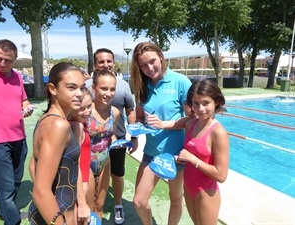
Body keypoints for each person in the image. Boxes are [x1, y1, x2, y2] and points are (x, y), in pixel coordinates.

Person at [147, 79, 229, 225]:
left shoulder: (218, 132)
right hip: (189, 187)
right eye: (196, 103)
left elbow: (221, 175)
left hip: (206, 192)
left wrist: (191, 159)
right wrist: (179, 158)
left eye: (205, 103)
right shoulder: (191, 122)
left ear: (216, 102)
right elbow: (171, 124)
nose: (200, 109)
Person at [130, 42, 192, 225]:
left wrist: (164, 124)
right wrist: (136, 129)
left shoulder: (180, 82)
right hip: (151, 153)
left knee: (175, 198)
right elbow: (140, 116)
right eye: (143, 65)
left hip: (176, 154)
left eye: (152, 61)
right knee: (139, 201)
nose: (149, 68)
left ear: (161, 57)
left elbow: (192, 119)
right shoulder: (141, 85)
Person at [28, 62, 90, 225]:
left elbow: (33, 166)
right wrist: (59, 221)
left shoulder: (46, 119)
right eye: (71, 87)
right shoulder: (58, 126)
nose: (79, 94)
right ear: (53, 89)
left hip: (47, 213)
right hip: (57, 216)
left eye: (82, 88)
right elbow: (40, 191)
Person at [91, 48, 138, 224]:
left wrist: (133, 137)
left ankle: (118, 205)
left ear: (113, 62)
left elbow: (131, 111)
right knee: (91, 178)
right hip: (93, 142)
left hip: (116, 139)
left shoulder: (123, 85)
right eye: (101, 62)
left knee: (117, 174)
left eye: (109, 61)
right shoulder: (87, 85)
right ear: (95, 64)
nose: (106, 64)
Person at [0, 39, 34, 225]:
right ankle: (13, 221)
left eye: (7, 60)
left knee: (17, 181)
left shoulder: (18, 76)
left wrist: (28, 107)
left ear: (15, 60)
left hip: (19, 138)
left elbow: (23, 101)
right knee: (6, 188)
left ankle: (5, 212)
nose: (2, 63)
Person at [87, 69, 120, 220]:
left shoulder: (115, 112)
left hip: (105, 163)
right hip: (85, 165)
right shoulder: (84, 111)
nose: (108, 93)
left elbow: (111, 133)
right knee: (86, 208)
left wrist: (115, 140)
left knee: (99, 205)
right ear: (94, 88)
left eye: (112, 89)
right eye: (104, 88)